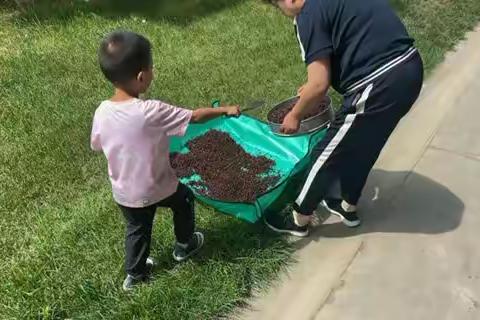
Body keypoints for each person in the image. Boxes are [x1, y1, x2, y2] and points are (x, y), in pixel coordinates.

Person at [91, 30, 240, 291]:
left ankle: (135, 276)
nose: (153, 71)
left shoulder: (102, 111)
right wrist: (225, 109)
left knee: (137, 228)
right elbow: (194, 116)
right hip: (158, 185)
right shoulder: (151, 111)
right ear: (141, 77)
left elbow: (96, 144)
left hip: (124, 191)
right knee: (183, 200)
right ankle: (185, 245)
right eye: (151, 68)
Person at [263, 0, 424, 237]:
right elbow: (348, 42)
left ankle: (299, 218)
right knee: (364, 145)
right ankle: (347, 204)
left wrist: (295, 114)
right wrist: (312, 88)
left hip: (379, 82)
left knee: (327, 151)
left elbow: (319, 84)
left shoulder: (308, 13)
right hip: (409, 69)